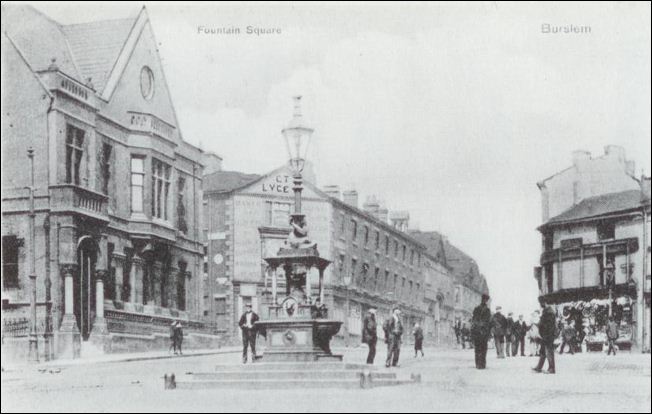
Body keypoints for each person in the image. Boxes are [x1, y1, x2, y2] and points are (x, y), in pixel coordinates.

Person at [533, 298, 556, 374]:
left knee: (549, 352)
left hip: (548, 335)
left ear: (545, 302)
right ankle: (539, 367)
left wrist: (539, 325)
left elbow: (548, 326)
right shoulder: (546, 311)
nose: (540, 304)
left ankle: (551, 369)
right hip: (544, 335)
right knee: (543, 351)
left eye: (541, 303)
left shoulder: (549, 312)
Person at [470, 294, 492, 369]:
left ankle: (478, 364)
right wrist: (488, 333)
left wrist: (473, 331)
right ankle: (482, 364)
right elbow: (489, 323)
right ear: (486, 300)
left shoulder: (476, 308)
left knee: (477, 348)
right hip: (484, 332)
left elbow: (473, 320)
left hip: (477, 331)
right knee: (483, 348)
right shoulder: (488, 310)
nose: (486, 301)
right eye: (486, 300)